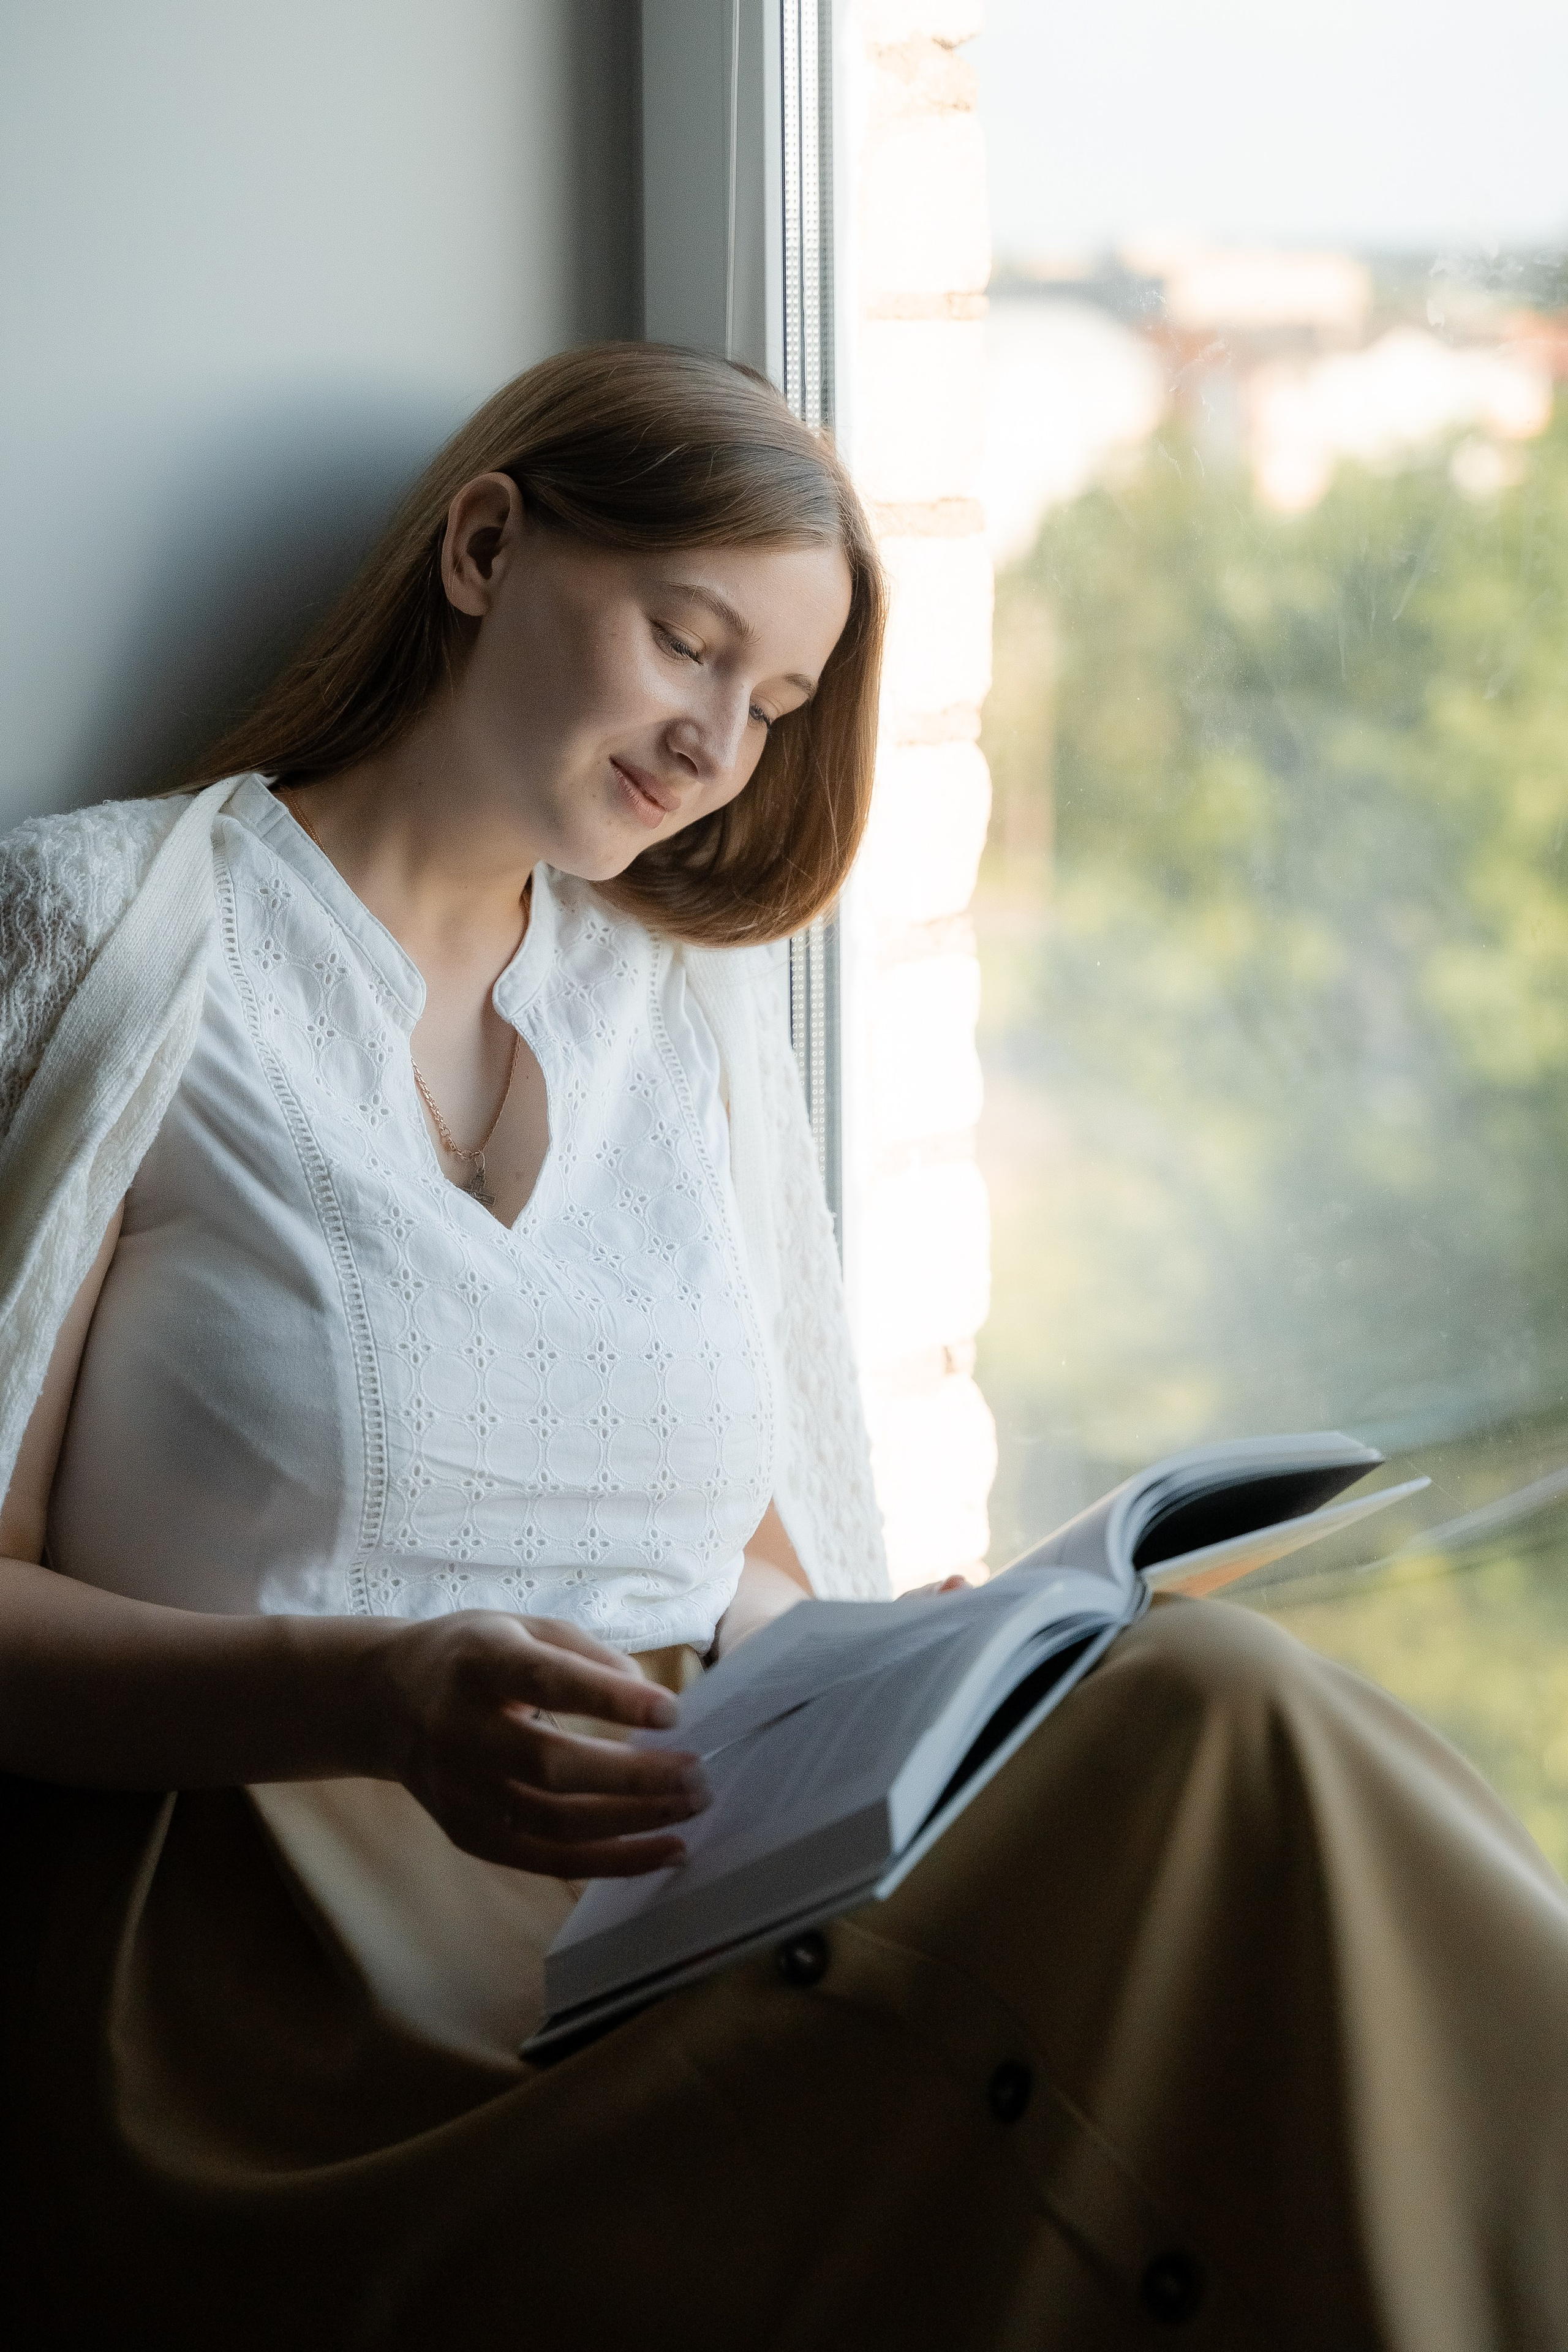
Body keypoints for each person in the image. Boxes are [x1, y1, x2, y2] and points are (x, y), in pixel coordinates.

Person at [1, 342, 1566, 2352]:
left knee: (1203, 1715)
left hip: (667, 1891)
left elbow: (724, 1557)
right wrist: (383, 1694)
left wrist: (886, 1668)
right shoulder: (114, 929)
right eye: (688, 641)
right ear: (488, 545)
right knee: (1213, 1753)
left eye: (779, 703)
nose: (719, 742)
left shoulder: (682, 1009)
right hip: (295, 1996)